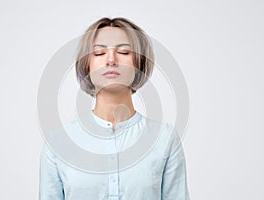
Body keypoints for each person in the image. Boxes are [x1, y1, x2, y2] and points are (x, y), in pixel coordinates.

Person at [39, 17, 190, 200]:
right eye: (99, 53)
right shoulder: (59, 143)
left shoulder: (164, 139)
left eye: (124, 51)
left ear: (139, 64)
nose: (111, 60)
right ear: (87, 66)